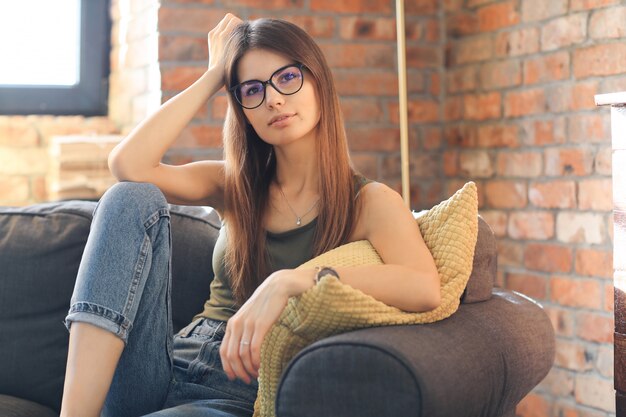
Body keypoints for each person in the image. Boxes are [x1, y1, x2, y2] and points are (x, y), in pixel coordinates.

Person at [59, 13, 440, 417]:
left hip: (234, 389)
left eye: (288, 78)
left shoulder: (367, 201)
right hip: (161, 366)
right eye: (252, 90)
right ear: (242, 108)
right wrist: (213, 76)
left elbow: (423, 285)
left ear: (318, 83)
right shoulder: (234, 185)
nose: (273, 99)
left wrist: (291, 281)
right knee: (128, 197)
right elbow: (128, 165)